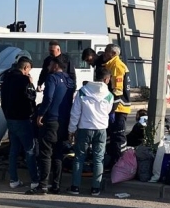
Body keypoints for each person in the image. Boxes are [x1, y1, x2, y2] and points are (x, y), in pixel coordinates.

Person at [27, 56, 75, 195]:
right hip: (64, 121)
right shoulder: (70, 81)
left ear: (55, 65)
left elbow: (48, 97)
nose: (48, 67)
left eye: (50, 64)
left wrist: (41, 113)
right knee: (58, 153)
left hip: (51, 120)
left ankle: (42, 185)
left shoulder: (52, 78)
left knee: (46, 153)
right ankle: (56, 185)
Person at [67, 67, 114, 196]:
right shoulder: (109, 95)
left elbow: (75, 113)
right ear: (106, 79)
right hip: (101, 129)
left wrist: (71, 130)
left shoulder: (82, 91)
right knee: (98, 159)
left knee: (79, 158)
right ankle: (95, 188)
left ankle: (75, 187)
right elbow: (108, 111)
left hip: (84, 129)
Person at [0, 56, 39, 190]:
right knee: (29, 150)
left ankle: (13, 180)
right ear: (25, 67)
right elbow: (32, 97)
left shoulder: (6, 78)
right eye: (29, 70)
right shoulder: (24, 80)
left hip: (10, 119)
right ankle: (34, 180)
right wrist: (31, 83)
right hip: (23, 119)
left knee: (14, 150)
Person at [103, 44, 131, 168]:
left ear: (113, 53)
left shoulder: (117, 66)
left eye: (106, 51)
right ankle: (111, 161)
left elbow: (118, 91)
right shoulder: (111, 65)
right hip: (115, 108)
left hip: (119, 108)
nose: (104, 54)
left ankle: (120, 163)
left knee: (118, 137)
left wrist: (112, 109)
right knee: (111, 136)